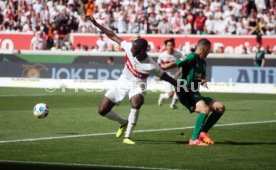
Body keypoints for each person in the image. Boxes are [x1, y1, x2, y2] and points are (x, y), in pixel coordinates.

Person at [86, 15, 178, 145]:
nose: (132, 51)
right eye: (132, 49)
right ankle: (124, 123)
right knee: (102, 110)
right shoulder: (130, 47)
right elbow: (113, 36)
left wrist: (179, 85)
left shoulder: (151, 65)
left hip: (138, 84)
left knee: (137, 102)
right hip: (123, 80)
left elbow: (166, 77)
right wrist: (96, 24)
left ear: (142, 51)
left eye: (135, 50)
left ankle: (127, 136)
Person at [161, 38, 226, 146]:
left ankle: (203, 132)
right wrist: (160, 68)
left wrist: (203, 80)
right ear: (205, 48)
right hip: (185, 91)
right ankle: (194, 139)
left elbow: (201, 76)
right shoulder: (191, 56)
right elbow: (176, 63)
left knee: (220, 107)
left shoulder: (203, 63)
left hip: (195, 93)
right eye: (209, 50)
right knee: (204, 109)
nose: (209, 52)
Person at [157, 38, 182, 109]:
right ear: (165, 46)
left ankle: (173, 105)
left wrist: (179, 71)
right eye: (168, 45)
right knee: (171, 94)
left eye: (172, 45)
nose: (170, 47)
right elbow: (158, 66)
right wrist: (159, 75)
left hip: (176, 76)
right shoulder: (162, 55)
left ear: (174, 46)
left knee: (179, 92)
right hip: (167, 77)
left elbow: (183, 64)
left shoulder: (179, 54)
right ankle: (162, 96)